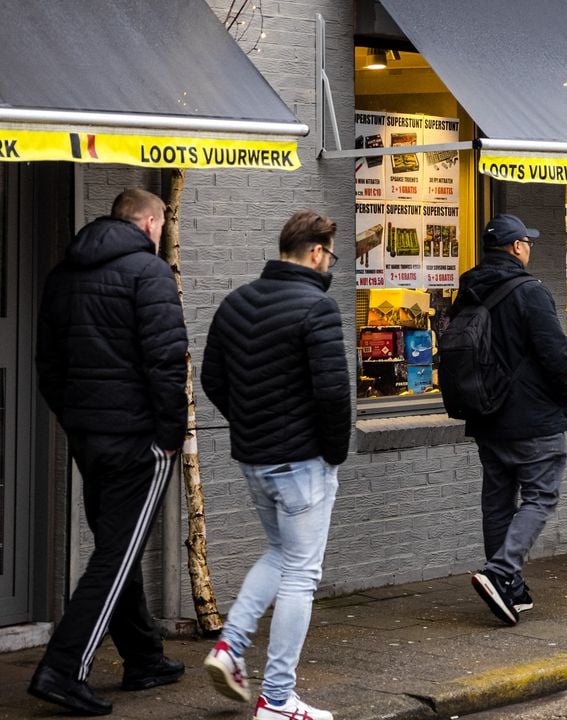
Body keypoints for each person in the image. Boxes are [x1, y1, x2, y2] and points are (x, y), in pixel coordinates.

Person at [28, 188, 188, 716]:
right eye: (161, 223)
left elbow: (46, 361)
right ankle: (62, 668)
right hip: (139, 439)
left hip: (87, 435)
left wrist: (73, 417)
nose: (162, 232)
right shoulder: (150, 274)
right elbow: (167, 361)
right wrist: (170, 434)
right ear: (148, 223)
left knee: (117, 545)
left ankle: (143, 657)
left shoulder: (64, 274)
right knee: (116, 555)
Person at [201, 210, 352, 720]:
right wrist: (334, 452)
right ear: (316, 252)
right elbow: (333, 393)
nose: (330, 262)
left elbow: (212, 380)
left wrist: (251, 424)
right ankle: (278, 698)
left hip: (256, 458)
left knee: (279, 553)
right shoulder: (318, 308)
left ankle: (229, 647)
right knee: (301, 577)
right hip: (303, 462)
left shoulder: (236, 303)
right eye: (331, 254)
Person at [460, 214, 567, 625]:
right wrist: (563, 397)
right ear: (516, 247)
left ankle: (510, 589)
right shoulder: (530, 292)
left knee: (497, 500)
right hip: (532, 416)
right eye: (527, 241)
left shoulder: (469, 289)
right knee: (541, 496)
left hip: (486, 414)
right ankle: (500, 572)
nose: (530, 247)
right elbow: (555, 354)